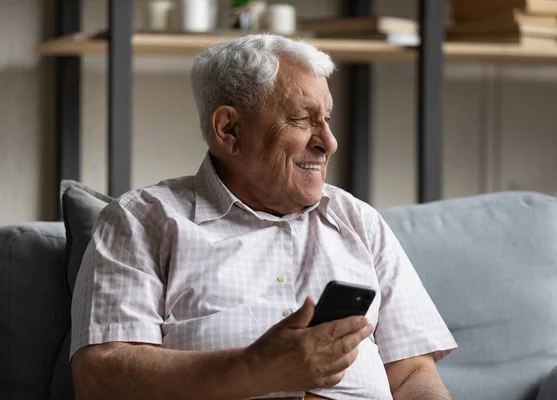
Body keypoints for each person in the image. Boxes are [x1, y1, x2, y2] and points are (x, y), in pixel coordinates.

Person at [70, 34, 457, 400]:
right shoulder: (141, 221)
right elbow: (100, 376)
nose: (329, 142)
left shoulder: (359, 221)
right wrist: (257, 368)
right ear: (229, 130)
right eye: (303, 120)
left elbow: (411, 374)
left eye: (328, 119)